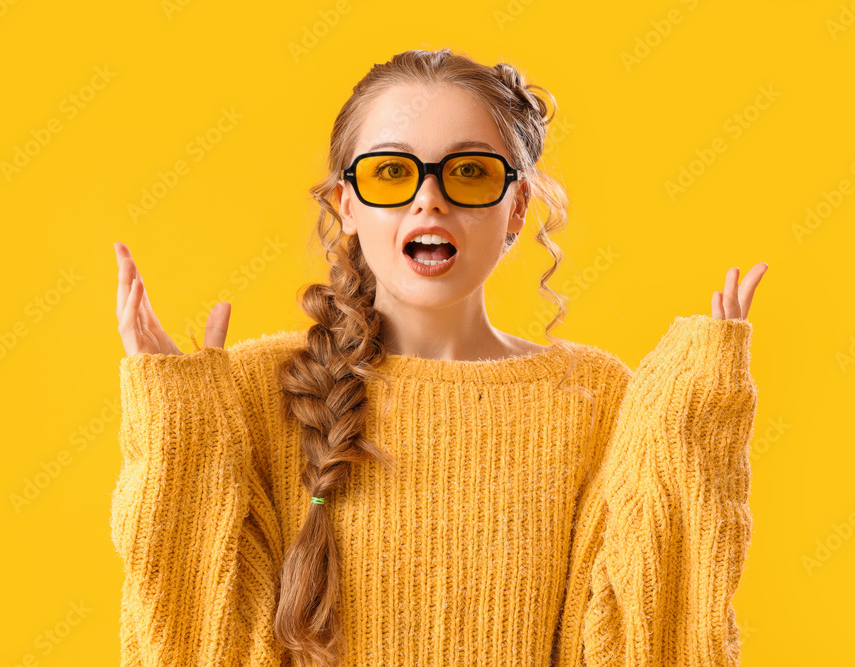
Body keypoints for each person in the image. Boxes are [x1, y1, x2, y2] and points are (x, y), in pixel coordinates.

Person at [110, 47, 768, 667]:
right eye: (392, 172)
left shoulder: (591, 396)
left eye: (470, 172)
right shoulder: (260, 390)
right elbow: (192, 636)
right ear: (346, 205)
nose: (430, 198)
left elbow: (639, 640)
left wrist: (694, 418)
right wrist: (181, 435)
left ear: (517, 208)